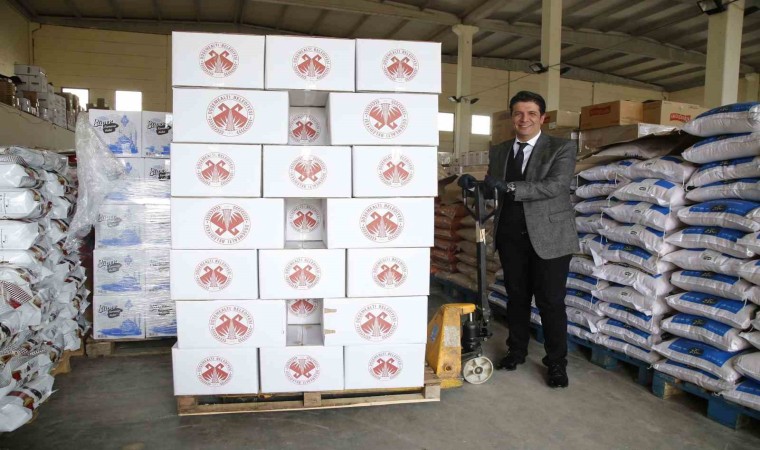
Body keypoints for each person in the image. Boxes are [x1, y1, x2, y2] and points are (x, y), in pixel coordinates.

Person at [461, 91, 578, 388]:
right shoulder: (500, 150)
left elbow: (555, 185)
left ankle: (556, 363)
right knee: (517, 298)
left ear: (542, 118)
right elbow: (495, 188)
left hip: (550, 237)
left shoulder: (561, 147)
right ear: (512, 117)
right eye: (518, 113)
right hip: (511, 235)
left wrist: (510, 187)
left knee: (551, 302)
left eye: (531, 114)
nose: (524, 119)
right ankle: (516, 351)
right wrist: (475, 187)